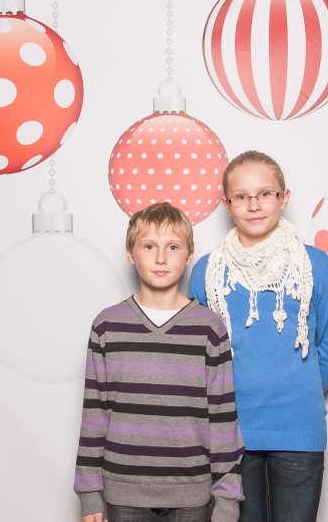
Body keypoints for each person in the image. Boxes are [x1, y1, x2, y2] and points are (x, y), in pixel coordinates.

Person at [189, 151, 328, 522]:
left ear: (284, 198)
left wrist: (297, 388)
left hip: (298, 429)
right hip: (230, 434)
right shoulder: (207, 271)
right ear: (226, 204)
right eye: (241, 196)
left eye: (265, 193)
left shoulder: (315, 265)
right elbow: (198, 356)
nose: (254, 204)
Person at [74, 202, 244, 522]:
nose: (161, 258)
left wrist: (227, 501)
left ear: (189, 255)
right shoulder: (107, 326)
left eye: (173, 247)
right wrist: (89, 493)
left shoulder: (209, 328)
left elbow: (223, 420)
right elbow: (94, 414)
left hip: (192, 494)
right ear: (130, 253)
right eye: (149, 246)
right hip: (123, 493)